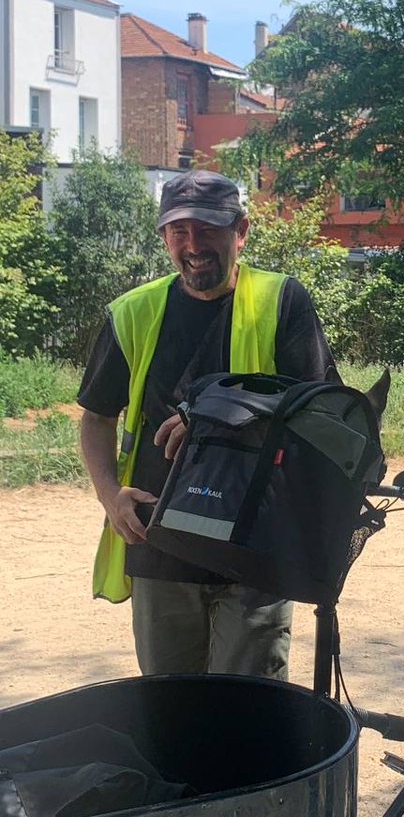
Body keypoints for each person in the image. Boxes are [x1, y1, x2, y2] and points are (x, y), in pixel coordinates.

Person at [79, 169, 338, 680]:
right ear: (164, 238)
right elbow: (96, 417)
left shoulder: (282, 300)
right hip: (159, 542)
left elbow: (322, 408)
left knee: (248, 710)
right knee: (169, 708)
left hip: (256, 545)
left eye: (208, 230)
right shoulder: (132, 313)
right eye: (179, 231)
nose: (194, 245)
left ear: (240, 231)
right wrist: (109, 495)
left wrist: (221, 414)